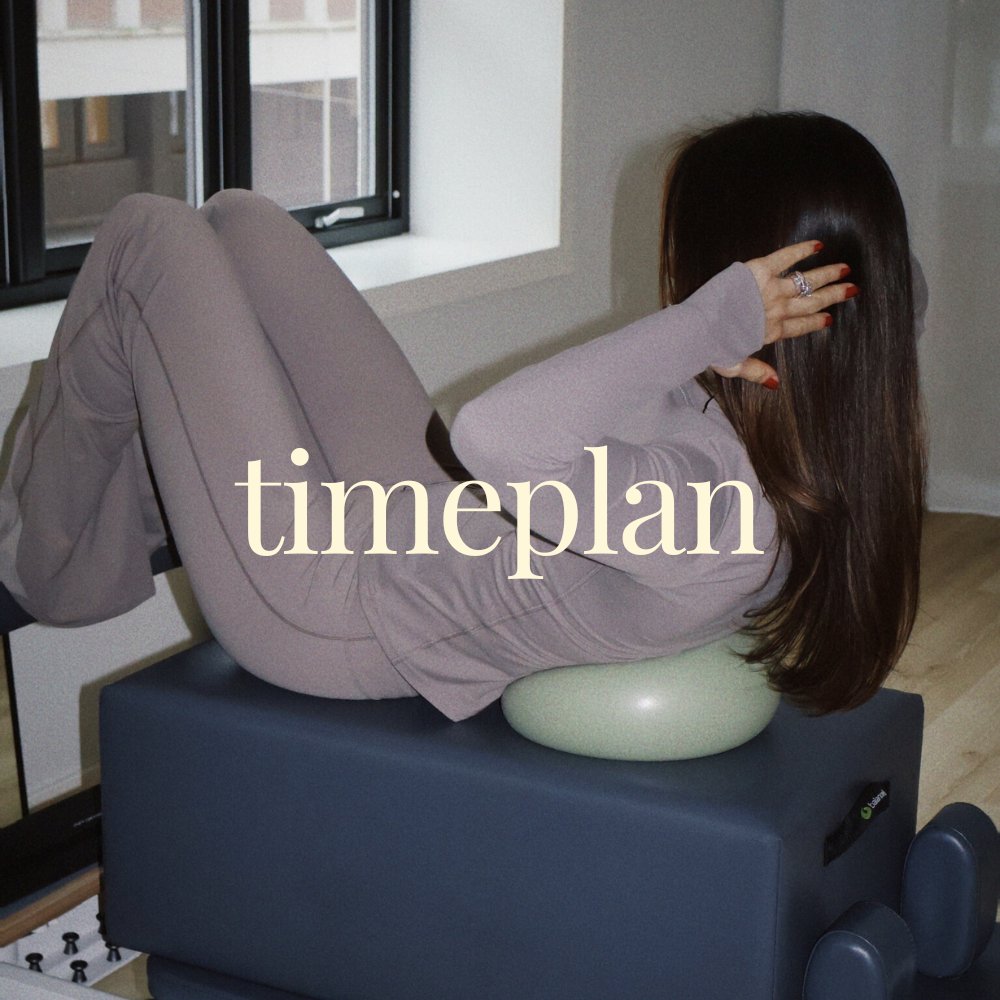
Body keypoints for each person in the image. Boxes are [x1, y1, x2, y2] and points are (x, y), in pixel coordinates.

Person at [0, 110, 925, 722]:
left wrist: (701, 324)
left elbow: (495, 437)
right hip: (431, 518)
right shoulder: (794, 415)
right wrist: (725, 331)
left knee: (145, 239)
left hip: (335, 603)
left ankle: (47, 566)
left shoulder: (715, 515)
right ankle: (170, 489)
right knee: (240, 219)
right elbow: (899, 291)